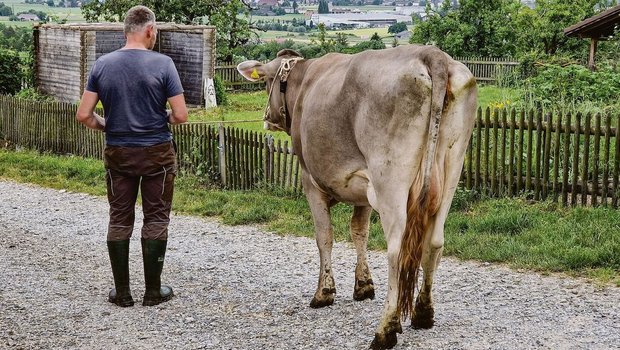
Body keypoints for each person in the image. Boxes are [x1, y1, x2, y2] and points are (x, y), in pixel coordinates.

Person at [76, 5, 188, 307]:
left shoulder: (102, 64)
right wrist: (160, 116)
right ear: (150, 30)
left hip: (118, 153)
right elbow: (180, 115)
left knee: (120, 218)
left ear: (125, 30)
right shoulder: (164, 64)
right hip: (157, 155)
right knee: (156, 218)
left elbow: (84, 115)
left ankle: (122, 292)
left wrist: (108, 124)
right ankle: (153, 292)